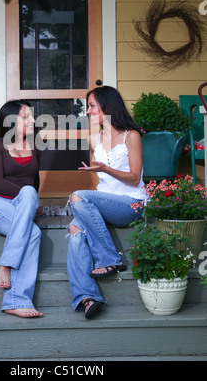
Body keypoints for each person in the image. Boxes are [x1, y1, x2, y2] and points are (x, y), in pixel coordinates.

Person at [67, 86, 147, 319]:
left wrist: (106, 169)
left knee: (76, 196)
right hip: (107, 204)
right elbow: (101, 186)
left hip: (131, 204)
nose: (89, 111)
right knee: (74, 229)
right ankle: (87, 296)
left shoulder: (131, 136)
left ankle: (110, 259)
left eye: (92, 106)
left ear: (107, 106)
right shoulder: (95, 138)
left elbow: (134, 178)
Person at [0, 100, 43, 318]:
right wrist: (30, 197)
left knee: (34, 231)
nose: (33, 121)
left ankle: (15, 301)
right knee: (28, 195)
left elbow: (34, 182)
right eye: (26, 117)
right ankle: (6, 263)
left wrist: (31, 199)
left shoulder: (35, 144)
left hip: (20, 205)